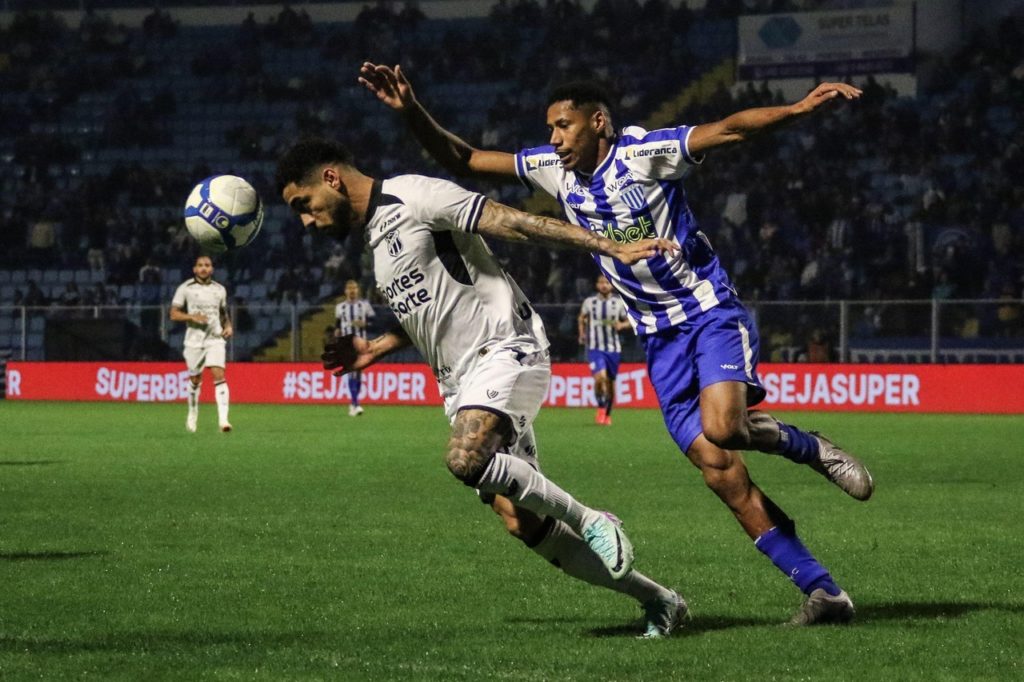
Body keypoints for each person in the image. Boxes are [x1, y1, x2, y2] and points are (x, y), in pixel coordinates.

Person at [360, 64, 874, 624]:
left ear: (597, 122)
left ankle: (812, 448)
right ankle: (823, 591)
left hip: (706, 312)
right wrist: (411, 110)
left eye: (563, 126)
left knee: (725, 427)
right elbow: (464, 160)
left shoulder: (643, 153)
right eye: (550, 129)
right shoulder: (552, 170)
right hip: (658, 342)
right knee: (719, 469)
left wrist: (797, 110)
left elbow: (729, 129)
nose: (553, 140)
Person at [276, 137, 687, 638]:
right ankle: (660, 600)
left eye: (304, 204)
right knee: (522, 522)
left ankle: (593, 520)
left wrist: (610, 245)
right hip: (462, 383)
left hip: (507, 350)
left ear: (332, 179)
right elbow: (430, 311)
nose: (306, 219)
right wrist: (374, 349)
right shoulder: (377, 241)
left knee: (465, 459)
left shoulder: (414, 196)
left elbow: (510, 220)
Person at [169, 254, 233, 433]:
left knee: (219, 374)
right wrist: (191, 317)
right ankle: (192, 411)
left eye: (207, 265)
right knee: (195, 380)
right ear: (194, 269)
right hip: (194, 341)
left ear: (212, 269)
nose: (204, 268)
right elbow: (173, 313)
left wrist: (228, 326)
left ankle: (224, 420)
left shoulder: (220, 289)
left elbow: (223, 313)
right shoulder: (185, 288)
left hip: (215, 338)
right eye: (200, 265)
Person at [578, 274, 629, 425]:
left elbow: (630, 321)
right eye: (601, 282)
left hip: (613, 349)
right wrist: (582, 333)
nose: (604, 285)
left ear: (611, 285)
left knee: (611, 385)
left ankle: (607, 413)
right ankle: (601, 407)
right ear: (597, 285)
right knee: (600, 379)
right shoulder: (590, 302)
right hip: (595, 347)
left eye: (607, 282)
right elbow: (581, 317)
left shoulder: (618, 303)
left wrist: (622, 325)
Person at [334, 279, 376, 416]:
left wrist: (364, 324)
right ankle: (356, 403)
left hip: (362, 344)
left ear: (358, 290)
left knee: (358, 373)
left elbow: (374, 322)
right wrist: (337, 333)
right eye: (349, 288)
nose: (352, 291)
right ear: (346, 291)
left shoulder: (364, 305)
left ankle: (353, 404)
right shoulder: (340, 307)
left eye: (354, 288)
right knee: (352, 370)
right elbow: (337, 324)